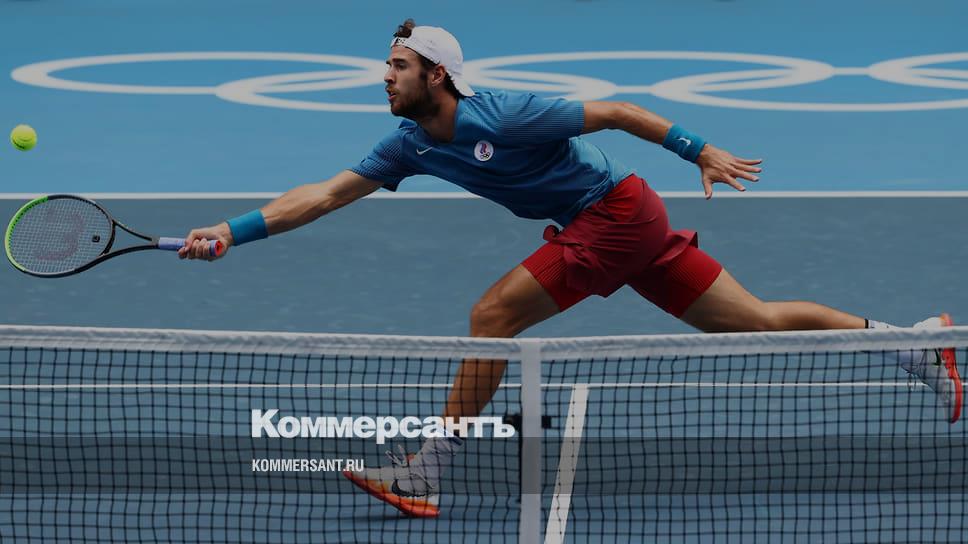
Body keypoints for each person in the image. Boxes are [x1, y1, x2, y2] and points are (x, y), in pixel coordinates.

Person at [179, 20, 962, 518]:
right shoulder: (409, 144)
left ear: (436, 75)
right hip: (620, 223)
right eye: (385, 65)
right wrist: (229, 232)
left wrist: (701, 150)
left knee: (492, 316)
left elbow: (618, 111)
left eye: (397, 65)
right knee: (752, 320)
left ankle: (425, 472)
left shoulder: (503, 113)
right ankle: (912, 343)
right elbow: (321, 195)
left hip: (615, 214)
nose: (384, 76)